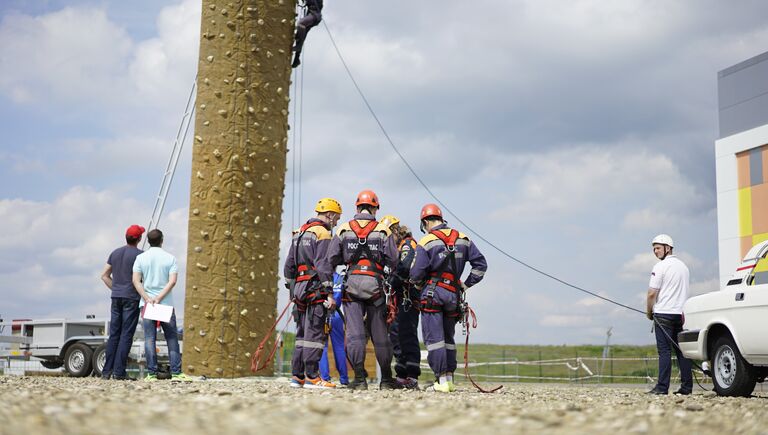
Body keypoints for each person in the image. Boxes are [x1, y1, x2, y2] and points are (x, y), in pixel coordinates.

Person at [317, 190, 401, 390]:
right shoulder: (383, 230)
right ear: (375, 208)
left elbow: (330, 260)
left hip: (352, 287)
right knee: (380, 335)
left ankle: (360, 379)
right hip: (375, 286)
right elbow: (394, 260)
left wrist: (328, 288)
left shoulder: (344, 229)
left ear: (357, 207)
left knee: (354, 335)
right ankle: (387, 380)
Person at [410, 203, 487, 393]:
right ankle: (449, 379)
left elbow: (416, 273)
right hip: (453, 295)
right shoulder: (463, 238)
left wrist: (419, 285)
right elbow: (481, 265)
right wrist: (465, 284)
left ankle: (441, 381)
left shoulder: (426, 241)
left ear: (426, 221)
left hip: (432, 294)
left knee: (434, 339)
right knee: (448, 338)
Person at [284, 198, 342, 389]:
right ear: (330, 214)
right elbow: (323, 264)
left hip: (300, 287)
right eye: (336, 219)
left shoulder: (299, 232)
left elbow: (289, 266)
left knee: (301, 334)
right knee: (315, 333)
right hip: (315, 286)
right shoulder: (323, 233)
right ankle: (312, 377)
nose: (336, 223)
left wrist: (292, 289)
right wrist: (329, 292)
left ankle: (298, 376)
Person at [132, 229, 189, 382]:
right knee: (171, 338)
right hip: (165, 304)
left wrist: (147, 298)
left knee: (150, 339)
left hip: (147, 304)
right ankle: (176, 372)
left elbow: (136, 281)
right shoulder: (170, 258)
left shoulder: (140, 258)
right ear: (162, 240)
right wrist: (159, 297)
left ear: (149, 241)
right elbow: (173, 281)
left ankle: (152, 374)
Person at [646, 234, 693, 395]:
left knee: (664, 352)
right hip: (680, 315)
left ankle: (662, 387)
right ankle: (687, 388)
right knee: (682, 352)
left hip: (663, 314)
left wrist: (649, 311)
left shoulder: (660, 267)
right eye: (654, 248)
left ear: (668, 248)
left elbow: (652, 294)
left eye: (658, 248)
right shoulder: (684, 267)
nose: (655, 251)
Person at [99, 224, 145, 380]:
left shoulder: (115, 253)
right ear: (139, 239)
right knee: (126, 334)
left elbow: (104, 275)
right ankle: (119, 372)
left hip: (116, 297)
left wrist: (116, 288)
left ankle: (106, 372)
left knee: (114, 335)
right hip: (131, 298)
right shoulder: (141, 255)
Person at [380, 215, 421, 389]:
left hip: (408, 297)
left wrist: (391, 281)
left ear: (395, 230)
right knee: (396, 335)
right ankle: (401, 374)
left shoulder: (407, 245)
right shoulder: (394, 248)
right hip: (398, 298)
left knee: (407, 334)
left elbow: (405, 267)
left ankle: (411, 375)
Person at [319, 271, 349, 386]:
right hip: (337, 314)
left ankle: (325, 378)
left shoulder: (322, 276)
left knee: (323, 347)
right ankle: (344, 379)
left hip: (322, 313)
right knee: (339, 347)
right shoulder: (340, 278)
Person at [291, 0, 323, 68]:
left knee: (301, 23)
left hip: (314, 16)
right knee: (301, 35)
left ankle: (298, 47)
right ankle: (297, 59)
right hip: (312, 16)